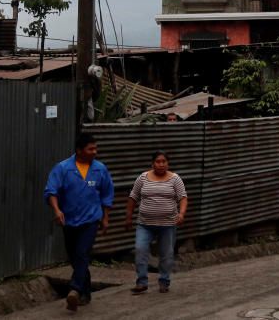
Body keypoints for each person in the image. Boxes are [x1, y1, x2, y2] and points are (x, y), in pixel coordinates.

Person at [44, 133, 115, 312]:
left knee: (82, 253)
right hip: (69, 220)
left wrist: (105, 217)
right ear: (79, 150)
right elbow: (51, 191)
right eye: (91, 149)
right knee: (76, 257)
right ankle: (86, 293)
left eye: (95, 148)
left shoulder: (100, 169)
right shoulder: (63, 168)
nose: (95, 152)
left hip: (91, 220)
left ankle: (75, 289)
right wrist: (57, 210)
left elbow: (107, 194)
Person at [125, 150, 188, 294]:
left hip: (167, 224)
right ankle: (142, 282)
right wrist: (128, 217)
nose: (161, 164)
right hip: (145, 224)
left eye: (164, 161)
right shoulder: (143, 178)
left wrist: (182, 213)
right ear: (152, 163)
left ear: (168, 163)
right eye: (158, 162)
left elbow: (183, 198)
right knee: (140, 249)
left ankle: (164, 281)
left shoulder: (175, 179)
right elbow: (133, 197)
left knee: (166, 253)